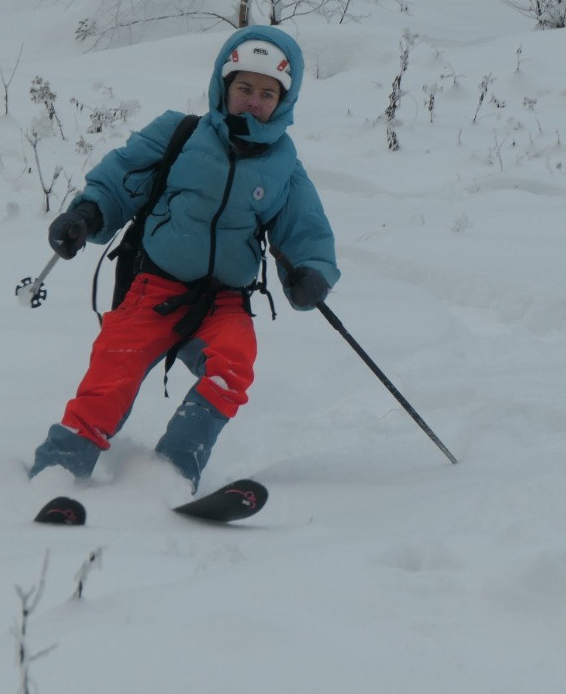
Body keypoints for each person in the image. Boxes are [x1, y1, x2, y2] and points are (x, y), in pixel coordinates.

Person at [29, 25, 339, 492]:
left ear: (284, 101)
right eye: (244, 88)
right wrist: (87, 214)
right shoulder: (180, 133)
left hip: (224, 302)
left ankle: (172, 471)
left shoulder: (284, 168)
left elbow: (305, 228)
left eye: (266, 93)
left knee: (233, 364)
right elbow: (120, 178)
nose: (253, 101)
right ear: (223, 87)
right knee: (113, 371)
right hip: (155, 287)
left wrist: (310, 273)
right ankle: (59, 469)